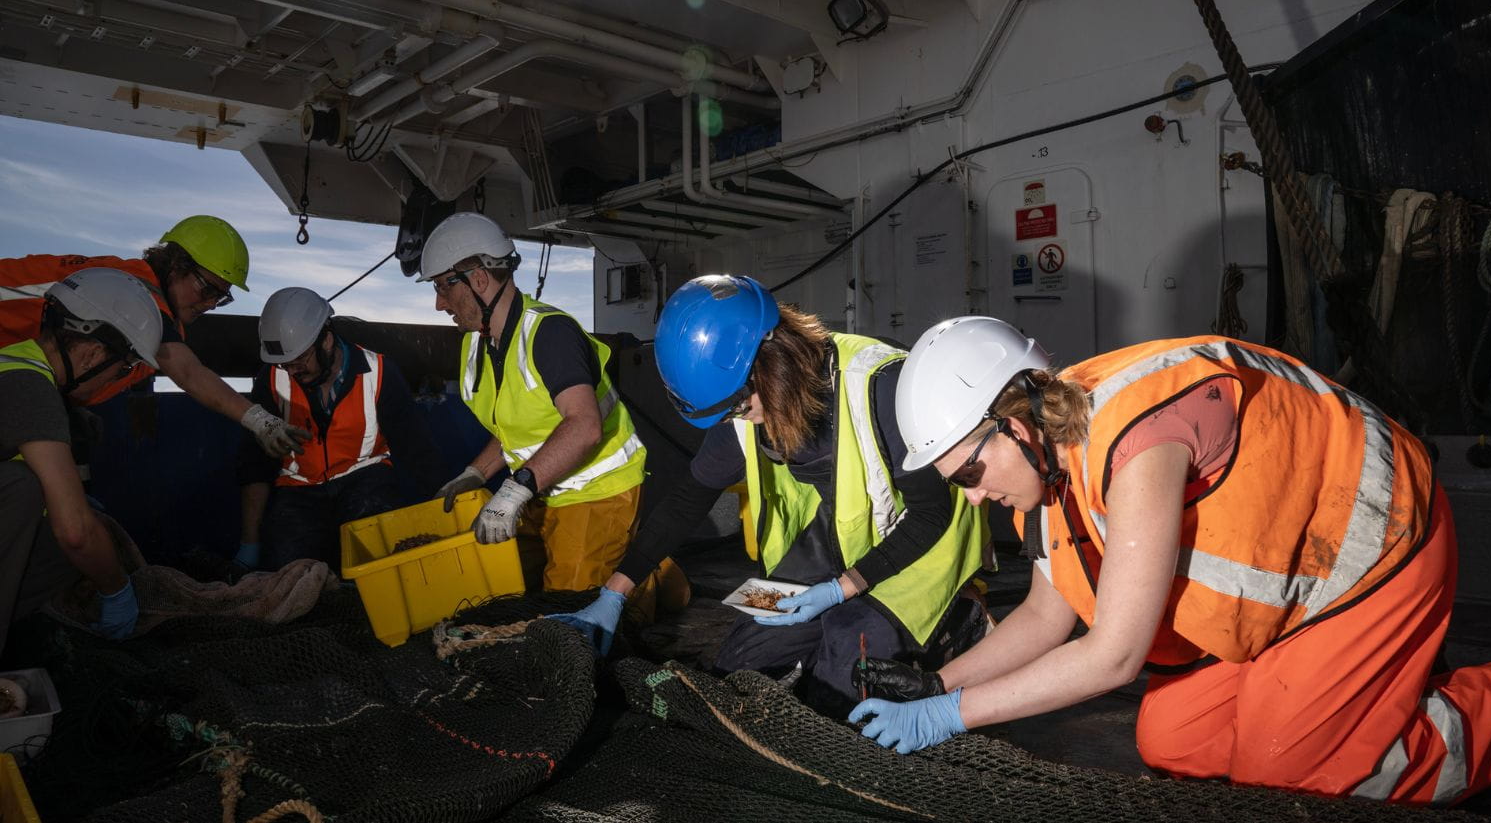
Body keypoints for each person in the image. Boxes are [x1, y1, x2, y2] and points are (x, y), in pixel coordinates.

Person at [848, 317, 1491, 806]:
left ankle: (1472, 716)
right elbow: (1047, 616)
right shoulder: (1048, 468)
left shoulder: (1137, 438)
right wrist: (940, 683)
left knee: (1292, 777)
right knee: (1172, 740)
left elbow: (1114, 656)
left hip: (1373, 552)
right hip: (1288, 594)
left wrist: (950, 714)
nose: (973, 495)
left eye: (969, 470)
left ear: (1014, 424)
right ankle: (1342, 705)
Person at [552, 275, 990, 715]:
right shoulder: (743, 408)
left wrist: (843, 590)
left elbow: (932, 516)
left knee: (845, 667)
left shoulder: (880, 385)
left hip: (924, 542)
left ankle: (962, 621)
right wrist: (614, 593)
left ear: (771, 359)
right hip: (843, 534)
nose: (738, 420)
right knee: (741, 663)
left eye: (738, 407)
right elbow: (689, 499)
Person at [418, 212, 687, 611]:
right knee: (509, 579)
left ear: (477, 279)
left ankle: (647, 579)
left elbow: (583, 428)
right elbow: (518, 425)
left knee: (570, 608)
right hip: (543, 486)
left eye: (442, 286)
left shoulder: (551, 335)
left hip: (596, 490)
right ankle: (631, 560)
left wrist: (514, 490)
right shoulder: (477, 344)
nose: (439, 303)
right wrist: (476, 473)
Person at [0, 216, 310, 459]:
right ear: (176, 266)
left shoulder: (135, 302)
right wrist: (262, 422)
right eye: (209, 289)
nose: (212, 303)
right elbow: (187, 371)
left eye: (221, 298)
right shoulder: (139, 293)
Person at [0, 268, 163, 656]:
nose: (115, 380)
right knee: (27, 490)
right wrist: (117, 589)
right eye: (122, 368)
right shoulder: (29, 385)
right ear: (92, 352)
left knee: (62, 543)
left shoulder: (16, 365)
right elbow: (75, 532)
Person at [235, 287, 446, 572]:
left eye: (299, 360)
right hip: (298, 492)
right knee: (288, 574)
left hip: (366, 482)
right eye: (285, 364)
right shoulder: (271, 380)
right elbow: (254, 463)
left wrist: (446, 512)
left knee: (378, 562)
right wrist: (250, 545)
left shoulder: (380, 372)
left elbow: (417, 451)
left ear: (326, 340)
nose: (293, 371)